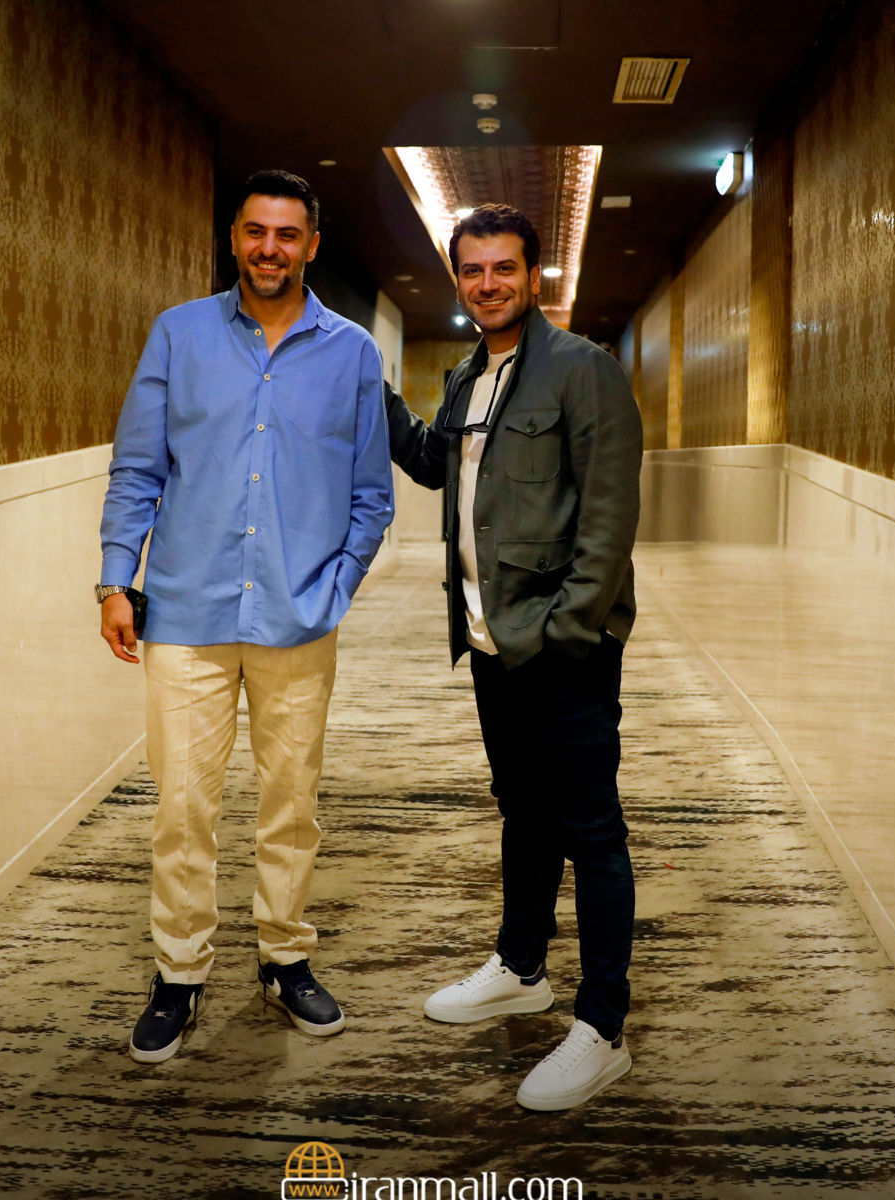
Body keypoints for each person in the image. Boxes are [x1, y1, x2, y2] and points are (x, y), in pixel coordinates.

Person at [98, 169, 393, 1064]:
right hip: (185, 613)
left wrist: (333, 589)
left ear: (312, 245)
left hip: (297, 618)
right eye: (256, 232)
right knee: (182, 807)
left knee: (290, 802)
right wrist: (114, 581)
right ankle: (179, 971)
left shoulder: (350, 353)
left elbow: (370, 494)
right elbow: (138, 467)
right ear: (234, 238)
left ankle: (284, 956)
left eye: (287, 234)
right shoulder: (179, 334)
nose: (270, 248)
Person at [381, 204, 642, 1111]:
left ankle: (602, 1028)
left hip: (559, 646)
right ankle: (522, 968)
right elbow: (433, 462)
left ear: (534, 276)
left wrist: (571, 630)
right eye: (472, 270)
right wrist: (368, 387)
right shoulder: (467, 377)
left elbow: (608, 517)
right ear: (457, 279)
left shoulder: (582, 369)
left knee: (590, 830)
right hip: (490, 642)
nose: (487, 284)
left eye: (503, 268)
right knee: (522, 810)